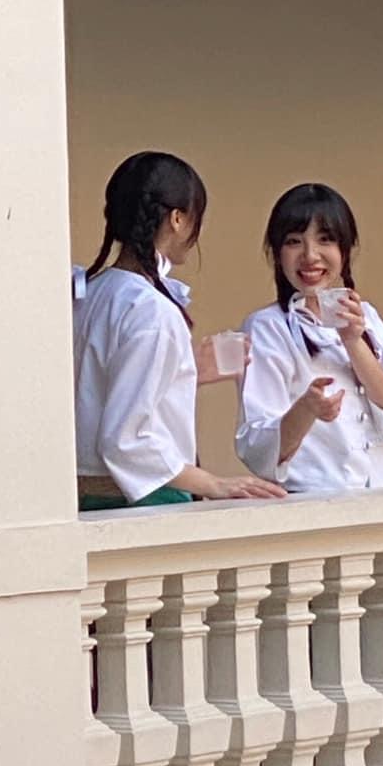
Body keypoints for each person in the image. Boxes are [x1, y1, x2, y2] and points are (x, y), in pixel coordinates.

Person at [73, 151, 285, 510]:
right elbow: (126, 439)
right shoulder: (151, 310)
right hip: (142, 499)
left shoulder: (88, 294)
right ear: (177, 219)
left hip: (83, 498)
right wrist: (212, 483)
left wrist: (187, 373)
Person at [236, 183, 383, 493]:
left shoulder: (365, 316)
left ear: (346, 249)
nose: (310, 256)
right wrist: (307, 409)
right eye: (294, 241)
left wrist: (354, 341)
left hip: (382, 492)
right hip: (312, 499)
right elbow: (259, 449)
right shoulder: (267, 327)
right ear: (277, 253)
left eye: (325, 239)